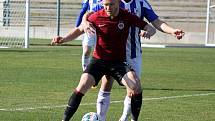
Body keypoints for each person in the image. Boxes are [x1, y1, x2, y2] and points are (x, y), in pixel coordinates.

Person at [52, 0, 157, 120]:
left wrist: (148, 31)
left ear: (118, 3)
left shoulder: (127, 16)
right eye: (105, 5)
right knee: (82, 85)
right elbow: (79, 30)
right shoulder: (96, 16)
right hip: (99, 61)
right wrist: (63, 39)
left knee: (136, 86)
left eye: (111, 4)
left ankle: (134, 119)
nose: (107, 7)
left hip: (118, 62)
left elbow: (151, 28)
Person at [82, 0, 185, 121]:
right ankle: (101, 118)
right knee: (106, 83)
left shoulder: (140, 3)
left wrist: (172, 31)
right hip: (111, 52)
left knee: (132, 90)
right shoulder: (112, 1)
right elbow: (90, 13)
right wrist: (84, 21)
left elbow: (156, 21)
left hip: (132, 53)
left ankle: (125, 118)